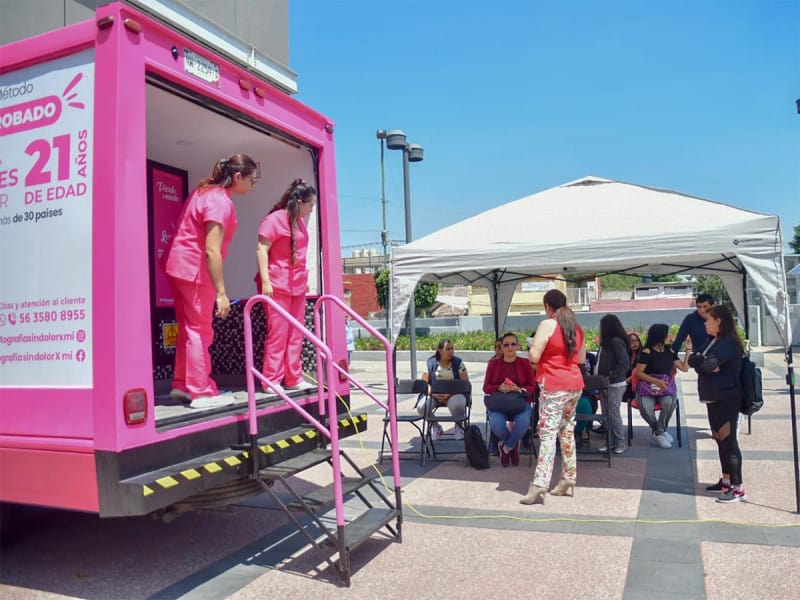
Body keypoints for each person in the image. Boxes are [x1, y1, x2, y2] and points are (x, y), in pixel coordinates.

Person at [165, 154, 258, 410]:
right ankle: (201, 391)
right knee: (200, 329)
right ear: (238, 176)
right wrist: (221, 292)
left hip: (179, 266)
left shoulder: (204, 191)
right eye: (253, 180)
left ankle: (183, 385)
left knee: (188, 328)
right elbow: (211, 250)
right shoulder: (219, 201)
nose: (253, 185)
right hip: (195, 269)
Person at [521, 289, 586, 505]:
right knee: (567, 430)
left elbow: (534, 355)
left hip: (554, 384)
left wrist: (536, 350)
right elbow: (582, 358)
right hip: (574, 384)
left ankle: (539, 484)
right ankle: (568, 478)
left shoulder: (548, 324)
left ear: (548, 306)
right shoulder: (576, 327)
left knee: (547, 434)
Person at [256, 179, 317, 394]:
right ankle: (271, 380)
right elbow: (261, 249)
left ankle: (293, 377)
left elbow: (298, 254)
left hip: (297, 286)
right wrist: (265, 281)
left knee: (296, 333)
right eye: (310, 205)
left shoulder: (299, 222)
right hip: (277, 284)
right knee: (278, 333)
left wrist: (304, 278)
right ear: (299, 202)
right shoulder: (274, 220)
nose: (311, 209)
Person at [688, 305, 747, 503]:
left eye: (708, 319)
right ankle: (726, 480)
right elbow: (696, 361)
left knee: (728, 441)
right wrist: (703, 361)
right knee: (718, 439)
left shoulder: (729, 343)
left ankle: (737, 487)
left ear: (718, 321)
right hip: (713, 397)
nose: (705, 323)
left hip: (727, 398)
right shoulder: (712, 341)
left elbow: (706, 365)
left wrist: (704, 363)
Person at [483, 332, 536, 467]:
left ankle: (506, 448)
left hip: (520, 401)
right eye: (506, 344)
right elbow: (486, 387)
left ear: (518, 346)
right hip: (499, 403)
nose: (510, 347)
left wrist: (518, 389)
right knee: (497, 424)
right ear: (501, 347)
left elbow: (532, 387)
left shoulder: (525, 363)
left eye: (513, 344)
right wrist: (498, 387)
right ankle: (513, 445)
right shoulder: (493, 364)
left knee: (523, 423)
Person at [635, 323, 690, 448]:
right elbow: (638, 373)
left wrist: (688, 350)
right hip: (647, 388)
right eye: (668, 333)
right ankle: (659, 431)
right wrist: (656, 381)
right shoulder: (647, 352)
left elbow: (684, 368)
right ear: (660, 336)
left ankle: (659, 432)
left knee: (669, 403)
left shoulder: (669, 351)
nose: (670, 336)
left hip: (664, 388)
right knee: (646, 408)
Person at [419, 339, 469, 441]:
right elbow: (424, 383)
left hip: (454, 394)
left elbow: (465, 384)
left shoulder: (458, 363)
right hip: (435, 395)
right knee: (421, 407)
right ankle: (435, 426)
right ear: (440, 351)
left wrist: (450, 394)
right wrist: (432, 394)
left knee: (457, 404)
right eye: (448, 349)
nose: (451, 351)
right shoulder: (431, 363)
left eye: (452, 349)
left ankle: (459, 425)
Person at [595, 314, 631, 454]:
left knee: (613, 413)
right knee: (605, 413)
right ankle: (610, 441)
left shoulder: (616, 342)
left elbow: (624, 363)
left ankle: (619, 442)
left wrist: (612, 376)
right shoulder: (606, 344)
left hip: (614, 384)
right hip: (604, 383)